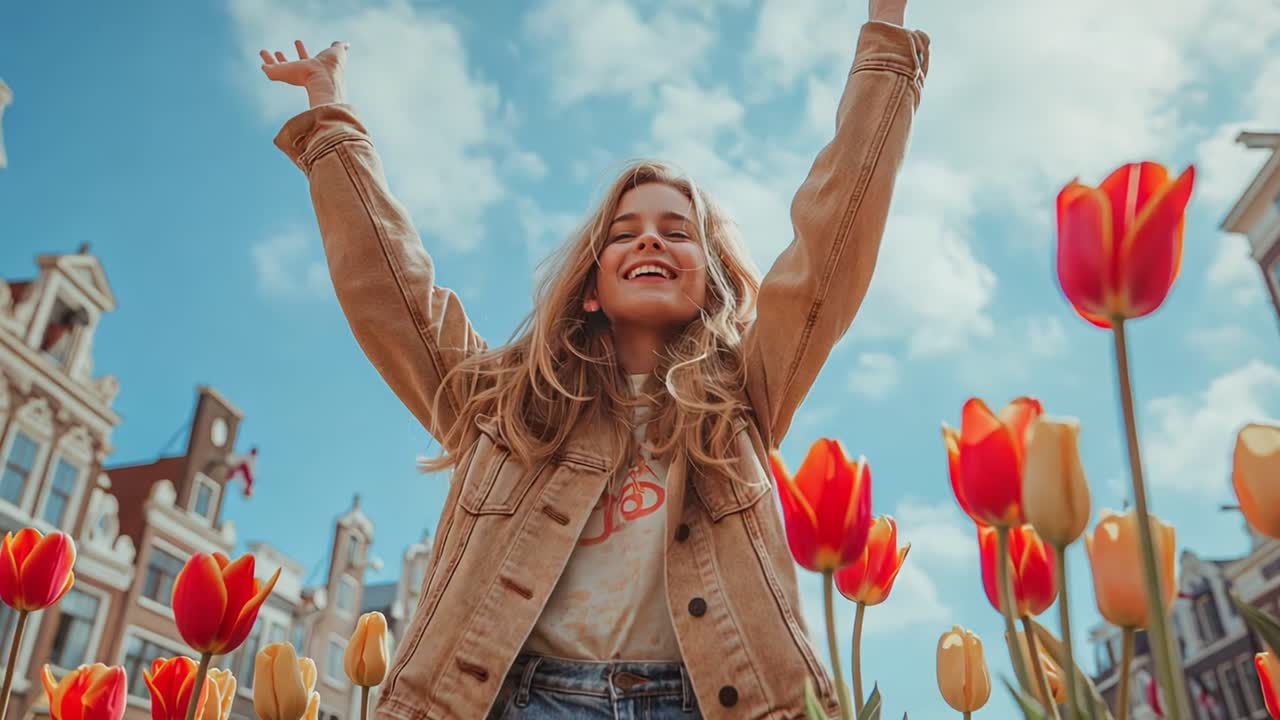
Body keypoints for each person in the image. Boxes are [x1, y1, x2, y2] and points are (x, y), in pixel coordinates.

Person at [260, 1, 927, 716]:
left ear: (712, 284)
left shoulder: (744, 390)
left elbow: (827, 251)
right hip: (524, 701)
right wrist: (329, 117)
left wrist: (884, 36)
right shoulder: (506, 404)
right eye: (625, 231)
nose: (650, 240)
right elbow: (394, 291)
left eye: (678, 231)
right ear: (589, 286)